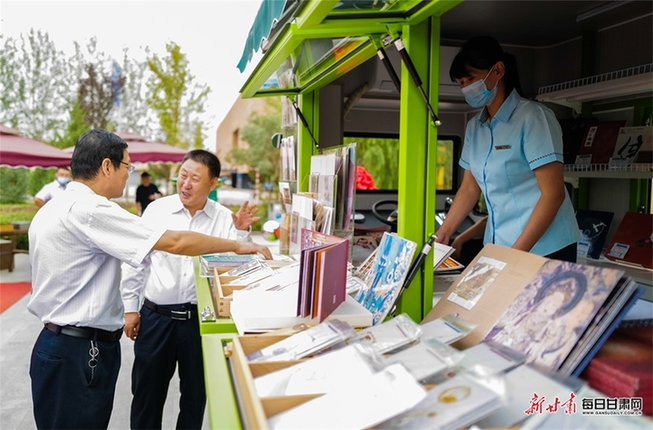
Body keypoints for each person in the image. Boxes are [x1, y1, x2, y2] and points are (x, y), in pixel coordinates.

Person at [27, 129, 272, 430]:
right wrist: (239, 245)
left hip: (64, 345)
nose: (128, 175)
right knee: (139, 399)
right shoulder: (92, 210)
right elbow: (176, 243)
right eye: (127, 167)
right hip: (80, 351)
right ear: (107, 166)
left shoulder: (56, 207)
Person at [121, 150, 261, 429]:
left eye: (195, 178)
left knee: (195, 398)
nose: (185, 183)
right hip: (156, 318)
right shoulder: (157, 210)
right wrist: (130, 308)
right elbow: (136, 260)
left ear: (213, 184)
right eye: (183, 175)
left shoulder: (224, 218)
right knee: (146, 396)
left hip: (201, 322)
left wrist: (242, 233)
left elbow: (232, 271)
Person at [435, 36, 580, 263]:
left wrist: (515, 255)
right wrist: (442, 234)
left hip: (546, 248)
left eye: (470, 78)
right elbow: (469, 189)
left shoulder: (533, 117)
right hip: (500, 245)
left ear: (498, 70)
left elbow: (553, 195)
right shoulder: (475, 127)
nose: (466, 88)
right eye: (461, 83)